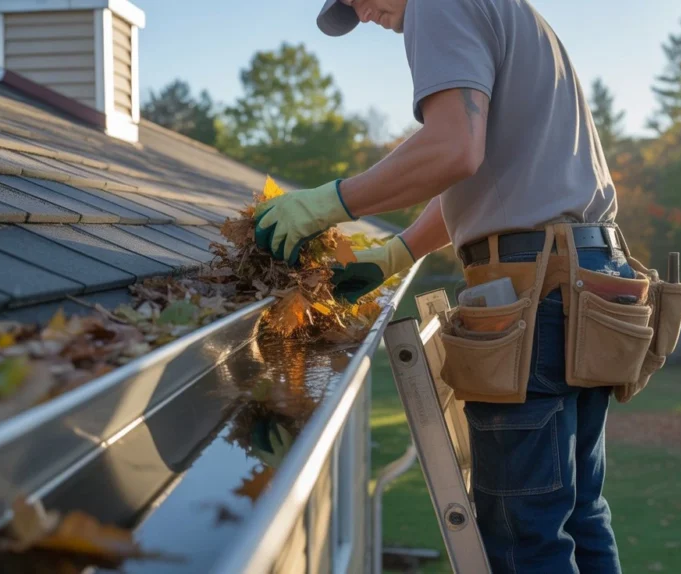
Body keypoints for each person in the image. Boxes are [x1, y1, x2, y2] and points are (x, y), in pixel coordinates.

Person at [253, 0, 636, 572]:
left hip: (537, 293)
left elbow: (455, 148)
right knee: (579, 515)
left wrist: (329, 202)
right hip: (590, 279)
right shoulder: (501, 11)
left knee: (522, 537)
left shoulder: (437, 5)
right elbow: (481, 167)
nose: (361, 12)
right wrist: (397, 251)